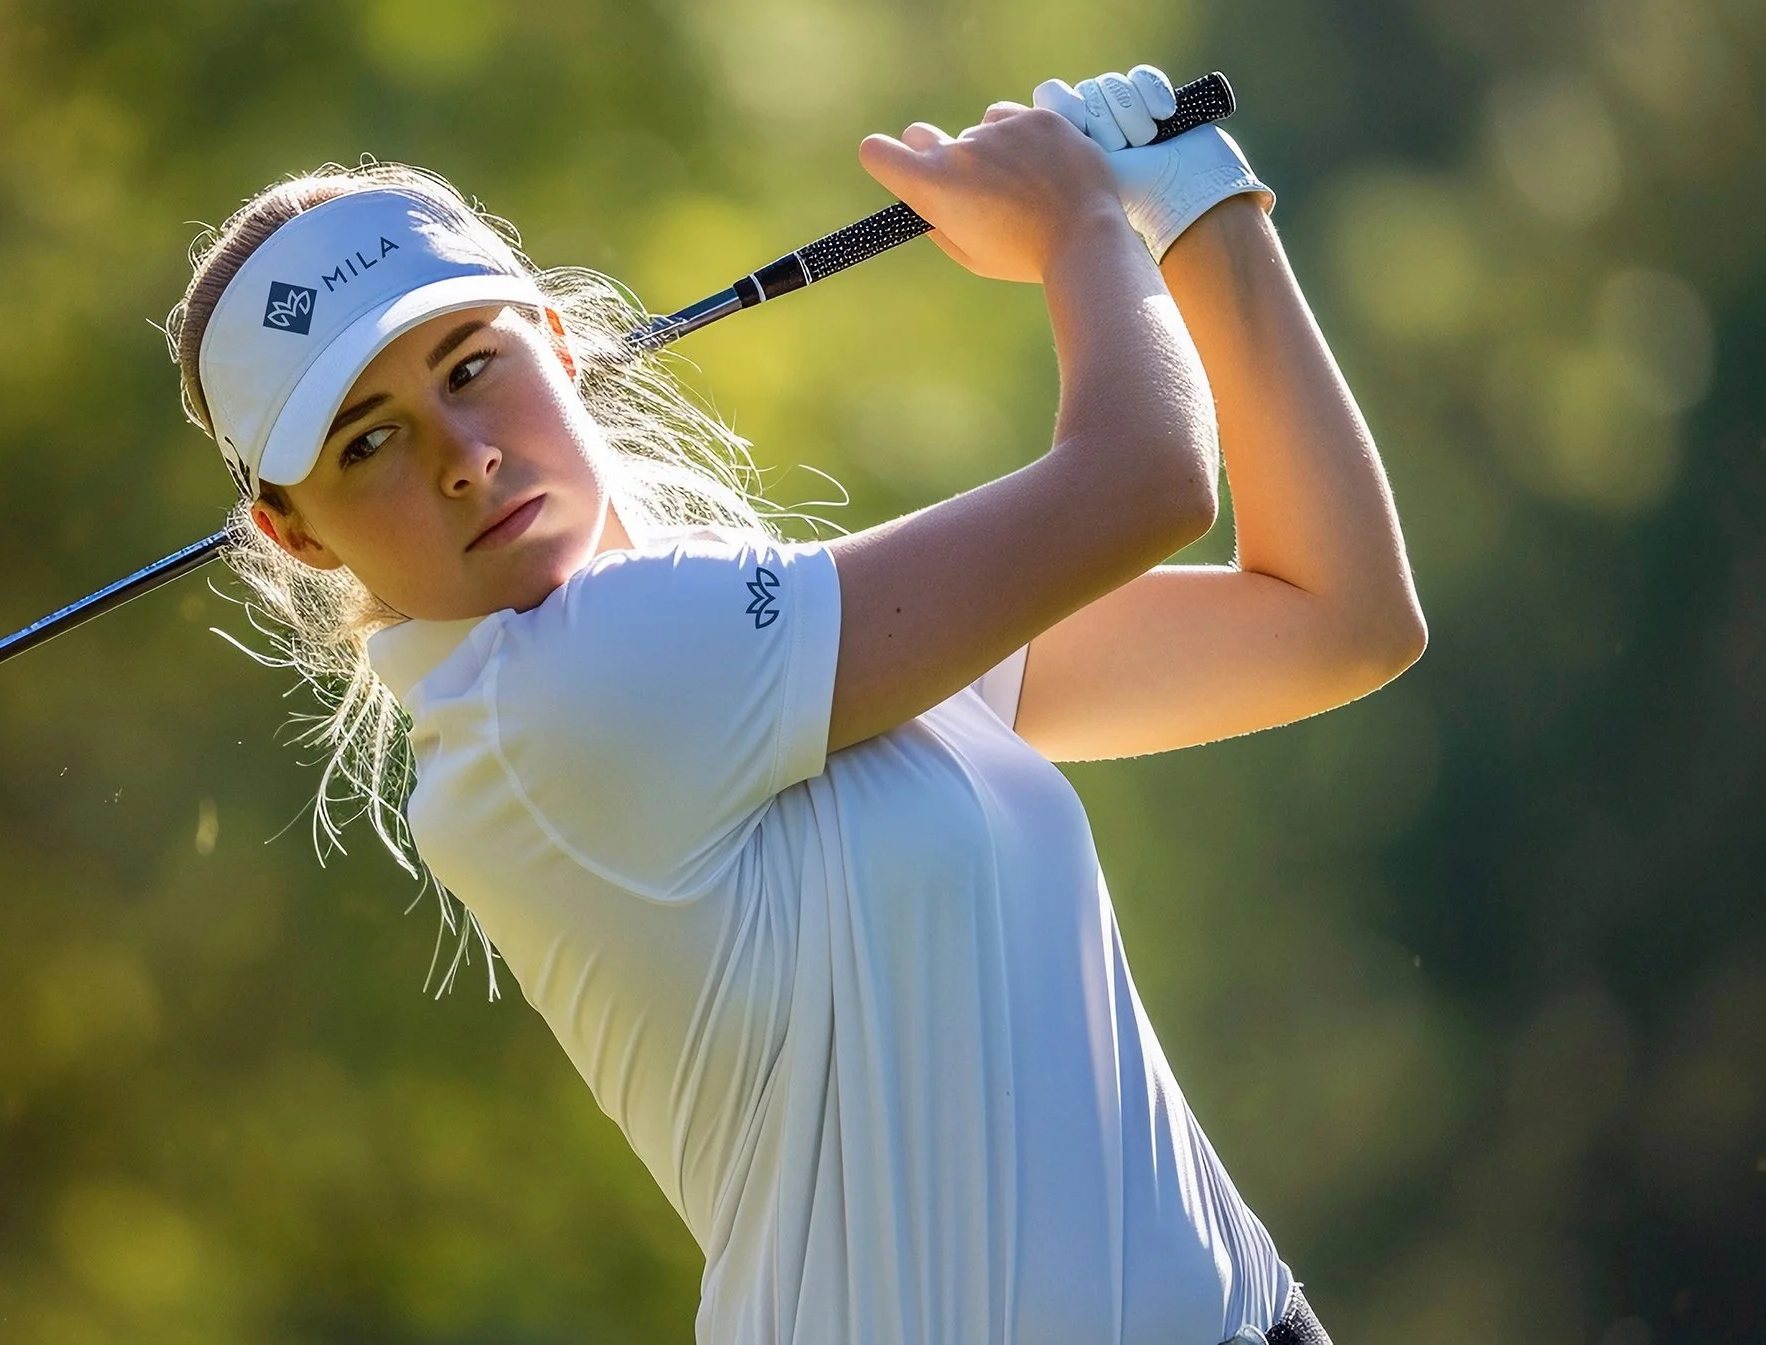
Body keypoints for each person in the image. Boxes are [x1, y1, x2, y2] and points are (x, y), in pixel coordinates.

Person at [165, 63, 1420, 1345]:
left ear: (556, 344)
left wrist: (1200, 203)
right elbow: (1147, 479)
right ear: (294, 533)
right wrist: (1087, 221)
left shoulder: (789, 646)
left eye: (470, 365)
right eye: (367, 441)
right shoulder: (555, 695)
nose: (462, 457)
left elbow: (1335, 618)